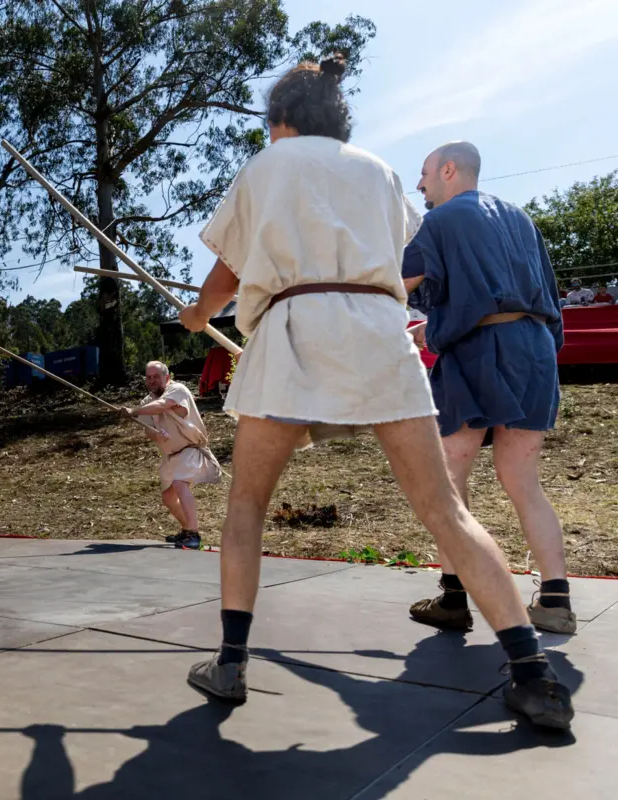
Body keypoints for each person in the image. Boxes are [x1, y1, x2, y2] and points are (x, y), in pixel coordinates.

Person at [176, 56, 573, 729]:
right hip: (379, 336)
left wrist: (195, 316)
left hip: (294, 329)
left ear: (280, 122)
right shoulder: (381, 171)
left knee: (246, 504)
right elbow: (396, 261)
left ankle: (232, 663)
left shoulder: (268, 166)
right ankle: (534, 674)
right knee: (446, 510)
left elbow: (225, 275)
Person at [402, 141, 576, 637]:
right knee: (523, 480)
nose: (420, 185)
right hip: (535, 349)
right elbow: (542, 296)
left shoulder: (438, 222)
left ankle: (454, 598)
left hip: (478, 351)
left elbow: (394, 286)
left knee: (449, 473)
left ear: (449, 170)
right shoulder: (522, 219)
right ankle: (557, 600)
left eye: (425, 173)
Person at [122, 361, 221, 550]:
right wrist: (156, 434)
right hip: (171, 456)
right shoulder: (145, 402)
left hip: (191, 448)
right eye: (148, 377)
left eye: (156, 377)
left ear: (166, 377)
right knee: (168, 498)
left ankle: (193, 535)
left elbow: (162, 405)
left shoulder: (178, 390)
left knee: (180, 484)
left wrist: (133, 411)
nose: (152, 381)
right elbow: (148, 429)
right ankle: (186, 530)